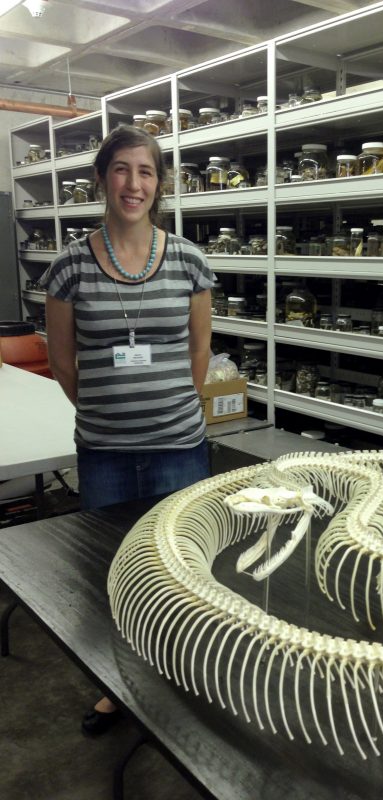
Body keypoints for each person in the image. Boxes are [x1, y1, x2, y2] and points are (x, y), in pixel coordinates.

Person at [41, 124, 215, 735]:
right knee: (112, 573)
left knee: (181, 569)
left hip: (179, 448)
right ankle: (119, 684)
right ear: (101, 179)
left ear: (159, 184)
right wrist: (110, 412)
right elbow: (62, 362)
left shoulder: (190, 259)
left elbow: (200, 353)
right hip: (106, 451)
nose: (133, 184)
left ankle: (181, 679)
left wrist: (174, 410)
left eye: (145, 172)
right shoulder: (67, 267)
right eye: (121, 170)